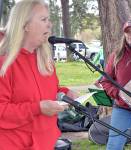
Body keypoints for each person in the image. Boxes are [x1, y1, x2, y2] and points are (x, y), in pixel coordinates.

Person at [0, 0, 78, 150]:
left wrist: (65, 94)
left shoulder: (45, 61)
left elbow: (48, 92)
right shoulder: (4, 63)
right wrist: (37, 108)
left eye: (49, 19)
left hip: (46, 143)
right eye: (43, 19)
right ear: (25, 25)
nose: (50, 25)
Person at [97, 19, 131, 150]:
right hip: (122, 108)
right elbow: (105, 81)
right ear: (124, 34)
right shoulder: (116, 55)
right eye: (128, 31)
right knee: (114, 144)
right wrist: (118, 93)